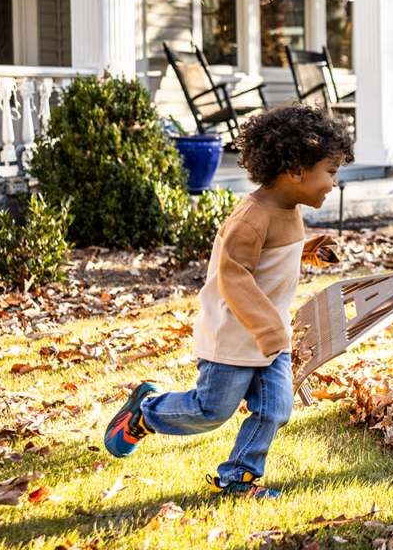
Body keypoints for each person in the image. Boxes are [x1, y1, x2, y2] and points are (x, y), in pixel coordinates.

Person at [103, 105, 353, 496]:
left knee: (275, 409)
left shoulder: (288, 207)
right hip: (234, 337)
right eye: (331, 171)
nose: (334, 183)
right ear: (296, 171)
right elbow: (234, 276)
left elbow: (269, 257)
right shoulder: (251, 218)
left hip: (268, 337)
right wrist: (271, 331)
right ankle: (146, 411)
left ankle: (239, 477)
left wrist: (305, 251)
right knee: (210, 411)